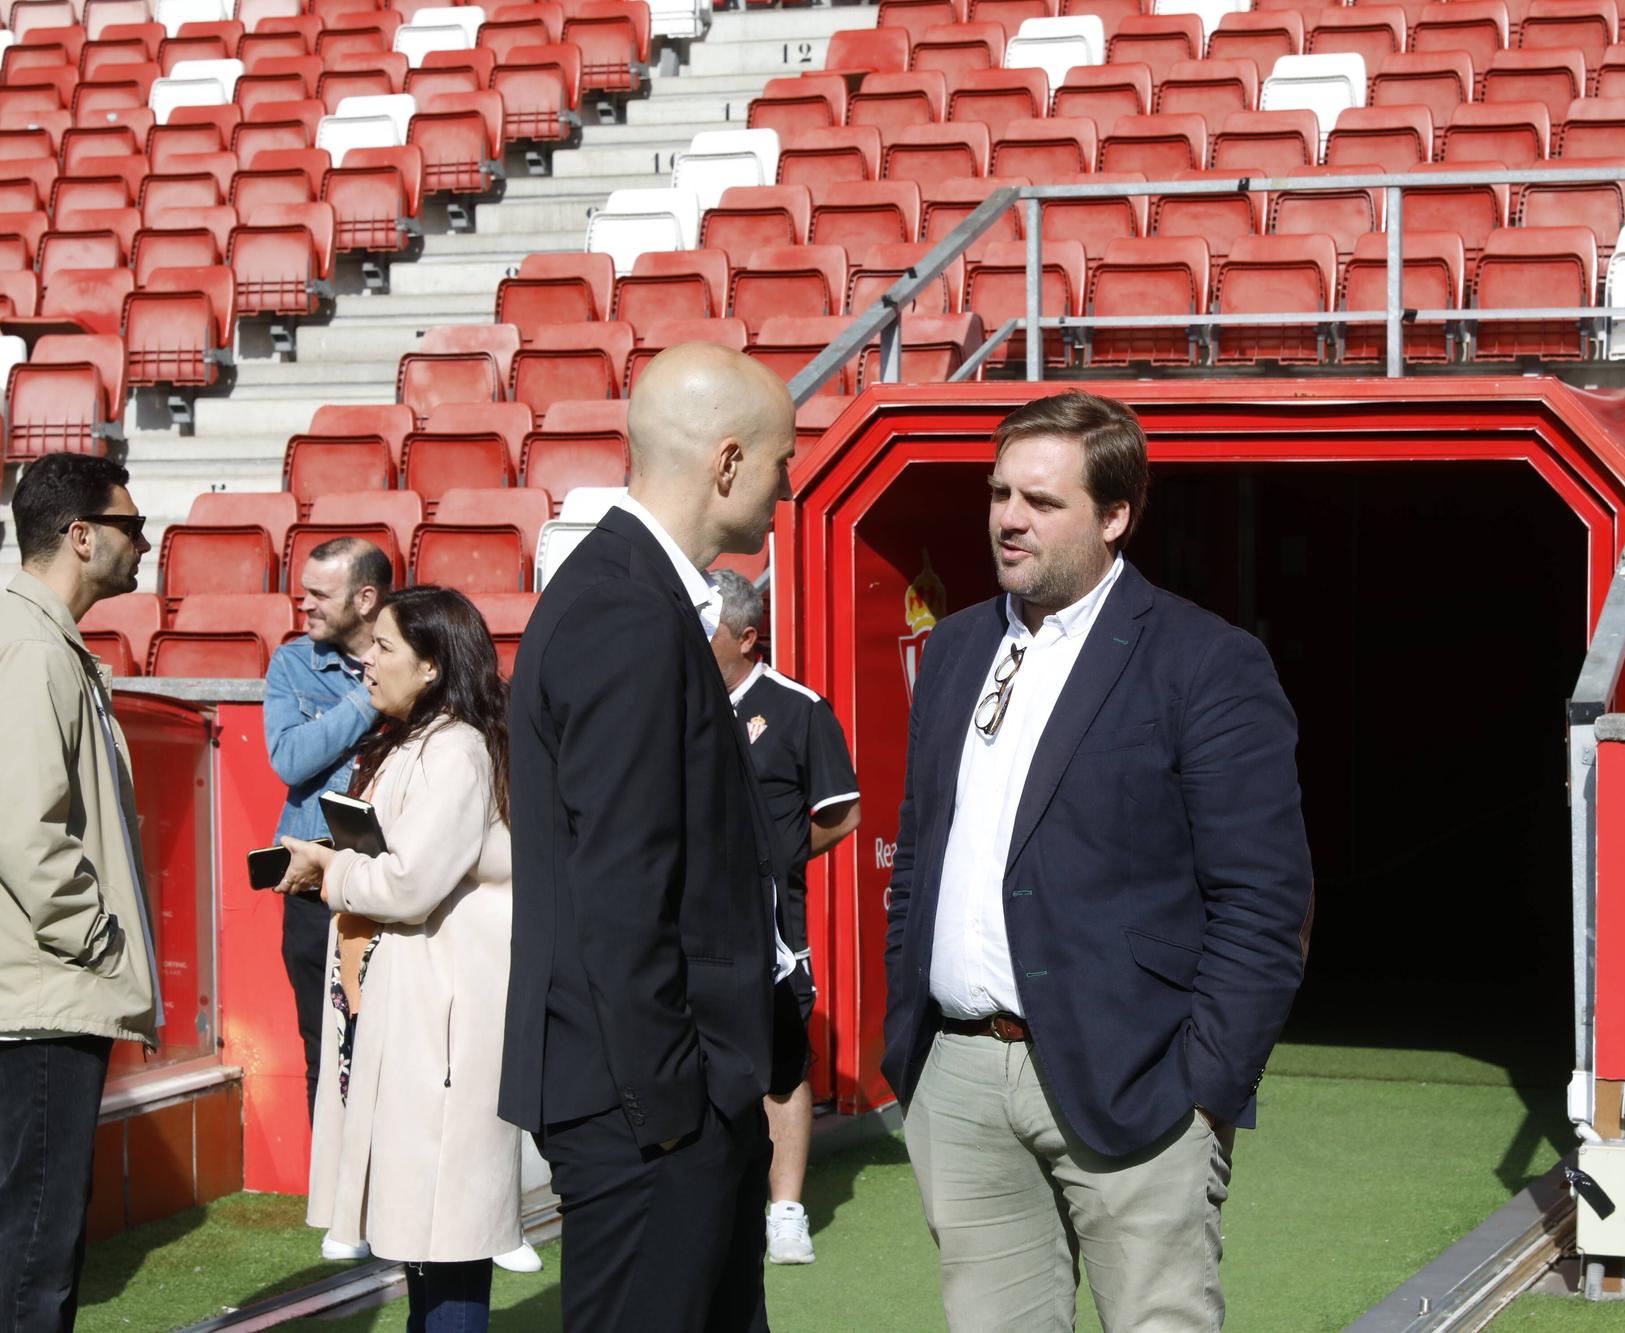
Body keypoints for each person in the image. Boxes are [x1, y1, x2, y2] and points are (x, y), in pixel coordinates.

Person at [881, 391, 1315, 1331]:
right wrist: (907, 1045)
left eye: (1042, 501)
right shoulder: (955, 650)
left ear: (1115, 517)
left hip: (1137, 1078)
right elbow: (921, 852)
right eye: (999, 493)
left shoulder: (1205, 661)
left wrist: (1207, 1084)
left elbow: (1265, 901)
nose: (1008, 518)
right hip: (956, 1076)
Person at [502, 342, 806, 1332]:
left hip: (653, 1095)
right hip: (649, 1108)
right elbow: (621, 886)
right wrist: (677, 1107)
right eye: (780, 461)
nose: (786, 485)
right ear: (726, 461)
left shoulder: (631, 596)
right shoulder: (623, 608)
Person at [276, 586, 523, 1332]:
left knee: (448, 1243)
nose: (367, 663)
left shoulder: (457, 748)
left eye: (383, 647)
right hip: (415, 1015)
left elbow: (411, 882)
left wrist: (331, 870)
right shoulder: (420, 740)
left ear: (432, 663)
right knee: (425, 1239)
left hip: (442, 1022)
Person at [0, 452, 161, 1333]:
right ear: (82, 535)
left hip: (35, 987)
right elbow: (26, 827)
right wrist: (99, 941)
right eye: (132, 525)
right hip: (44, 995)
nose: (147, 539)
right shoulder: (30, 642)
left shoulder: (37, 637)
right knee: (35, 1256)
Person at [707, 569, 862, 1267]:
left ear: (745, 636)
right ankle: (717, 1202)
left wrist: (780, 858)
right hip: (690, 920)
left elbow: (844, 811)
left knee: (780, 1066)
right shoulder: (676, 701)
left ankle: (787, 1210)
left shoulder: (798, 708)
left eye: (704, 625)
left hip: (770, 929)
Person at [263, 537, 390, 1135]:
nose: (302, 603)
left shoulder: (419, 656)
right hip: (313, 892)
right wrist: (369, 701)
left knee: (396, 1054)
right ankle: (336, 1220)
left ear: (366, 599)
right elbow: (290, 759)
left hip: (396, 890)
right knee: (325, 1053)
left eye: (319, 593)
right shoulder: (291, 663)